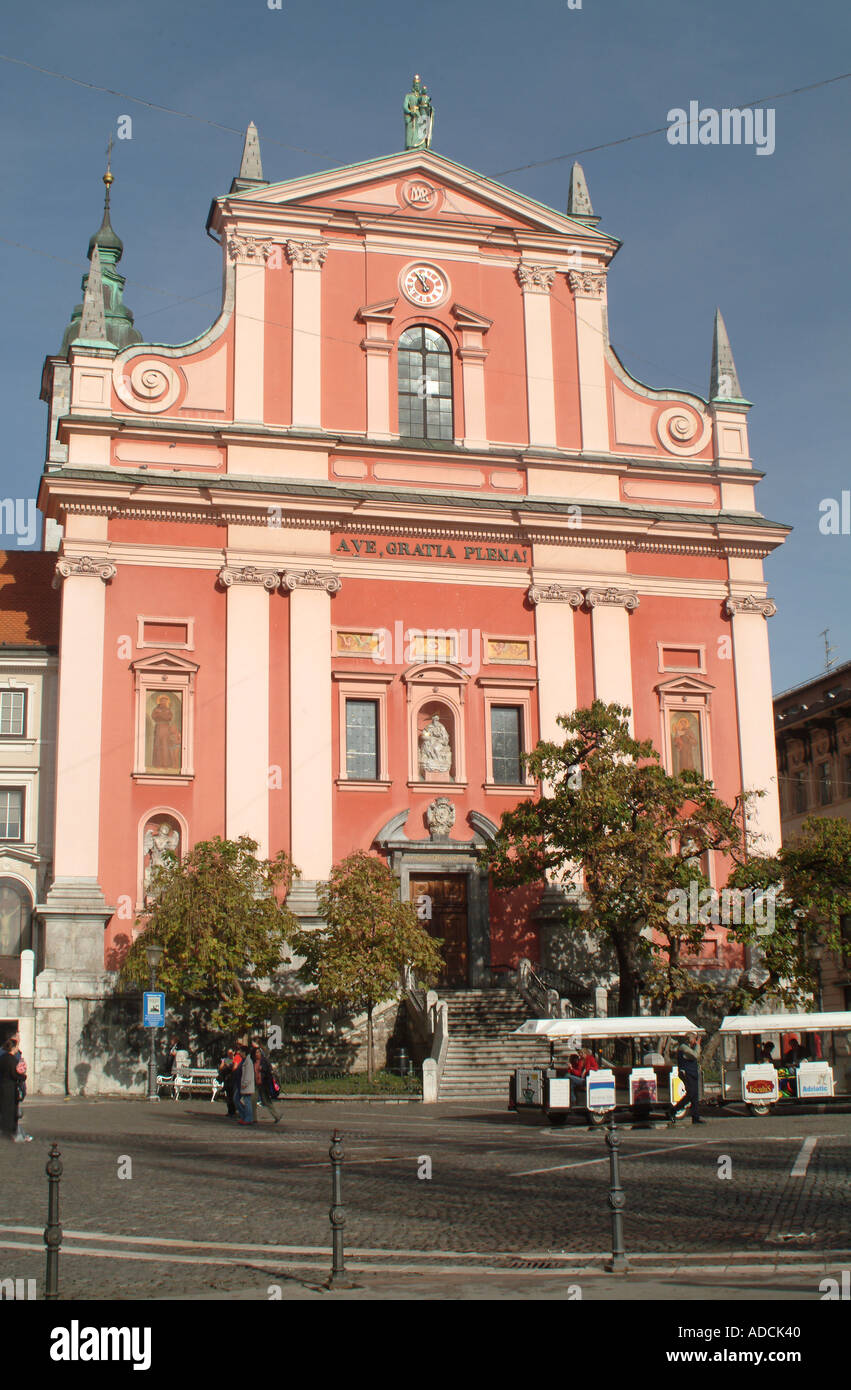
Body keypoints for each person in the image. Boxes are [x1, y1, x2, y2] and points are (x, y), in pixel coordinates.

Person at [673, 1032, 705, 1124]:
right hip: (686, 1073)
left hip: (692, 1073)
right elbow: (695, 1055)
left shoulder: (690, 1047)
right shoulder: (683, 1047)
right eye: (694, 1038)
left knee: (695, 1095)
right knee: (690, 1094)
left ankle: (695, 1117)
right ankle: (674, 1110)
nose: (695, 1040)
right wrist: (698, 1045)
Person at [251, 1039, 282, 1124]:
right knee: (253, 1100)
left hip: (263, 1084)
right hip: (255, 1084)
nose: (258, 1054)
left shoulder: (264, 1061)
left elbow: (269, 1070)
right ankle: (254, 1118)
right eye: (256, 1053)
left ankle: (277, 1115)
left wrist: (262, 1070)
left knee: (266, 1101)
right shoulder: (253, 1062)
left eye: (259, 1052)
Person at [8, 1035, 32, 1142]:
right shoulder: (10, 1058)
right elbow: (14, 1073)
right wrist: (22, 1076)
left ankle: (17, 1133)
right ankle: (16, 1134)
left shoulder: (14, 1056)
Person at [0, 1035, 20, 1140]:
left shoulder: (2, 1058)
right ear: (13, 1047)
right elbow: (14, 1074)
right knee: (10, 1109)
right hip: (10, 1086)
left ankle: (4, 1129)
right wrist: (23, 1076)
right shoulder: (12, 1060)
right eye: (17, 1046)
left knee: (4, 1108)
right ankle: (9, 1131)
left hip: (2, 1085)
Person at [236, 1045, 256, 1125]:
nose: (239, 1052)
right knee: (238, 1099)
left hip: (246, 1085)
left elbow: (248, 1074)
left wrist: (245, 1083)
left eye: (240, 1051)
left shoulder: (248, 1061)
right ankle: (244, 1116)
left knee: (247, 1102)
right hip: (241, 1084)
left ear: (244, 1052)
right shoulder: (244, 1060)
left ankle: (248, 1118)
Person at [218, 1049, 238, 1117]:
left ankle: (234, 1111)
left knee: (233, 1096)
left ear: (233, 1053)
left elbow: (234, 1068)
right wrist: (224, 1063)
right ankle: (230, 1111)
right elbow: (220, 1068)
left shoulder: (235, 1059)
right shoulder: (225, 1060)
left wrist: (228, 1065)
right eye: (228, 1053)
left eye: (231, 1053)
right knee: (229, 1096)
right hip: (227, 1079)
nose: (230, 1054)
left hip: (233, 1079)